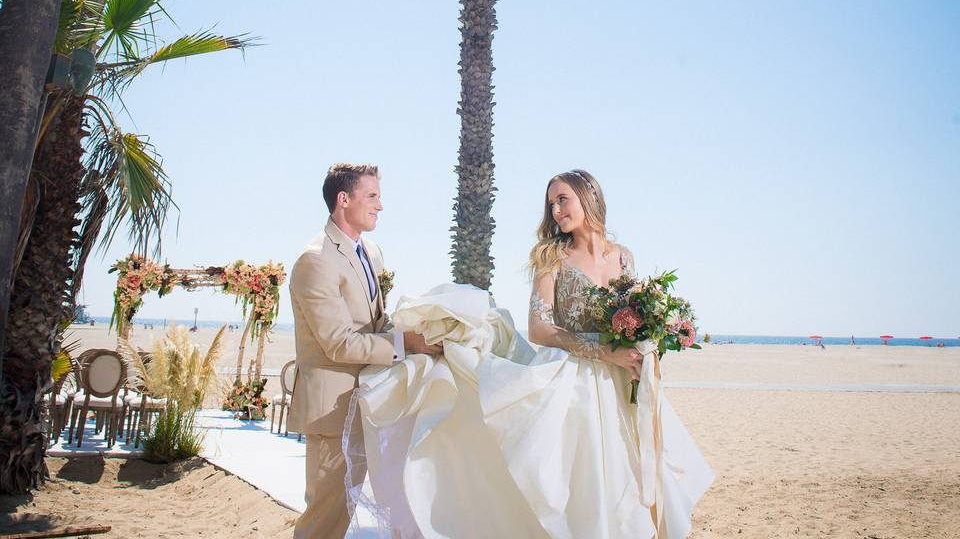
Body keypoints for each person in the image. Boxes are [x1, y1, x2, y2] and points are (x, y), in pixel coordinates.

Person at [351, 169, 713, 538]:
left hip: (622, 381)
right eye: (551, 203)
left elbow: (630, 318)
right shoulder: (552, 256)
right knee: (579, 480)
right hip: (575, 380)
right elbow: (540, 328)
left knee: (627, 472)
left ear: (589, 197)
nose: (555, 210)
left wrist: (643, 346)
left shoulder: (622, 257)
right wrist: (603, 351)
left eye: (563, 200)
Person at [286, 163, 440, 539]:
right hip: (333, 411)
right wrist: (406, 345)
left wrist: (421, 332)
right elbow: (338, 342)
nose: (380, 206)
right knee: (325, 516)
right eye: (371, 196)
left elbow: (376, 323)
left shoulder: (368, 251)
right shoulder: (315, 260)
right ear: (344, 199)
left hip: (366, 402)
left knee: (345, 511)